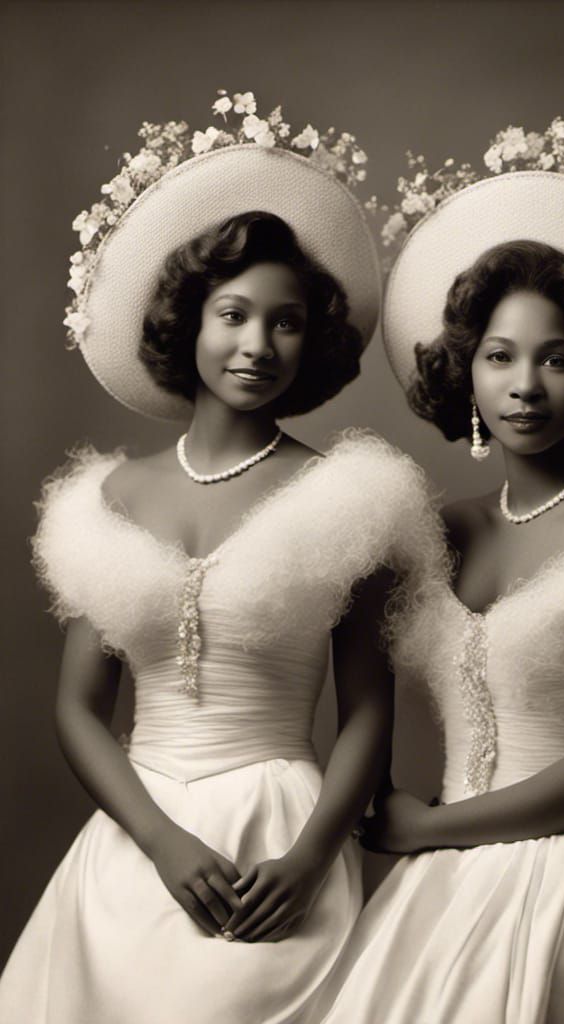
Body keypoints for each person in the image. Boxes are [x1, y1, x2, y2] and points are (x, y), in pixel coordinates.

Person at [0, 96, 440, 1024]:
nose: (256, 346)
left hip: (281, 838)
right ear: (188, 323)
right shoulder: (106, 498)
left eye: (286, 323)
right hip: (137, 841)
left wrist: (313, 855)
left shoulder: (352, 496)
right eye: (233, 315)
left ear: (312, 338)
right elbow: (79, 709)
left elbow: (368, 712)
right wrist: (159, 841)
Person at [315, 123, 564, 1023]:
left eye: (554, 359)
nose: (525, 384)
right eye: (500, 356)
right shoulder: (432, 533)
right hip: (441, 886)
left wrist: (429, 828)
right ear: (468, 373)